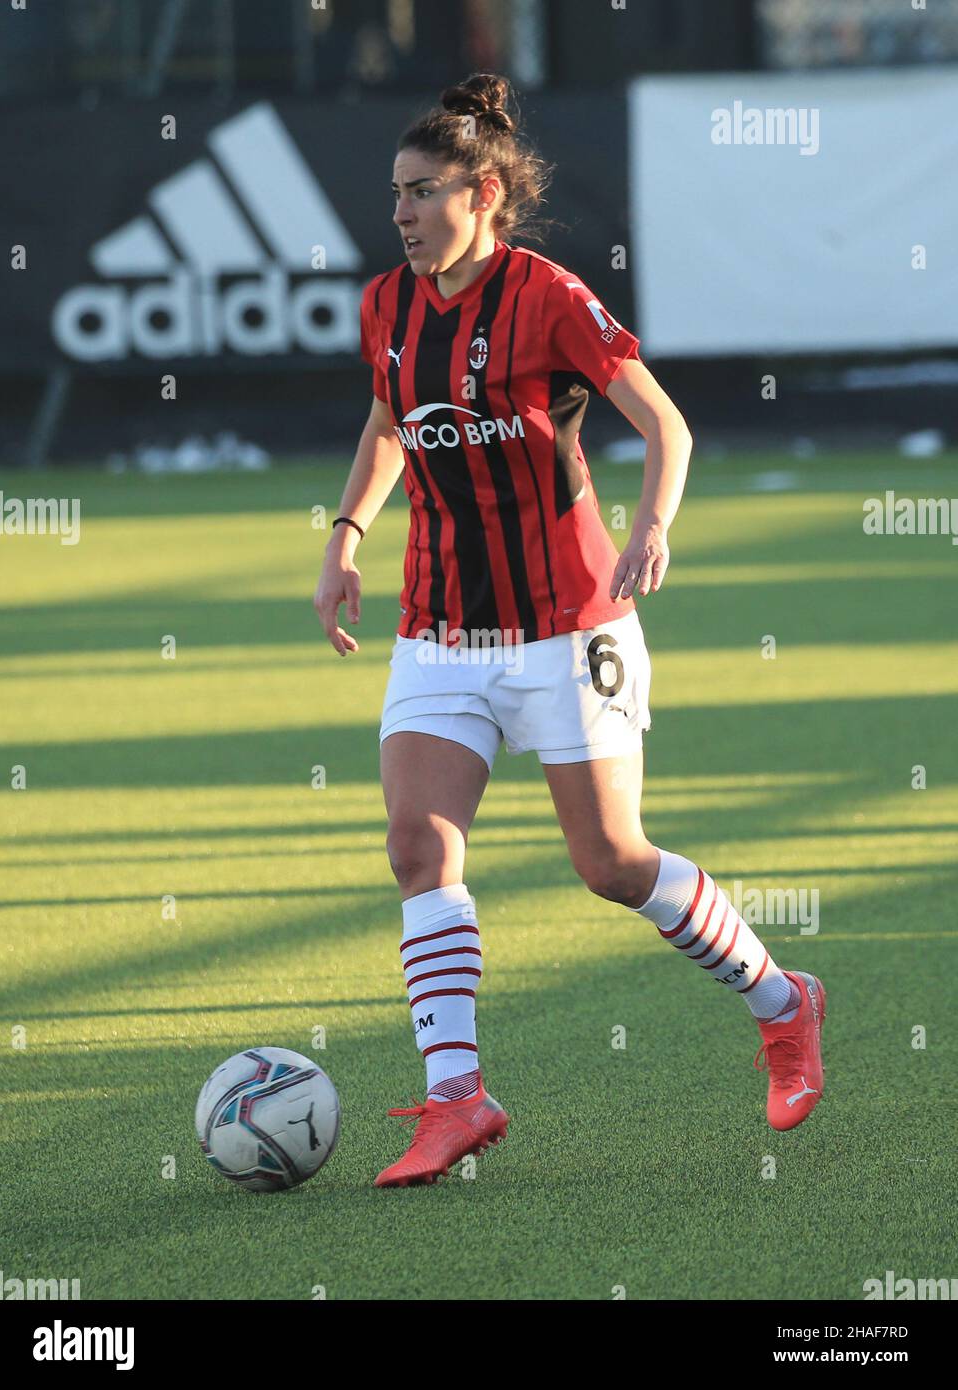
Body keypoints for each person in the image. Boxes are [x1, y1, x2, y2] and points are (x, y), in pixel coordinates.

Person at [313, 73, 826, 1189]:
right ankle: (458, 1099)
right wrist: (348, 533)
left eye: (419, 192)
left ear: (482, 193)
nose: (398, 212)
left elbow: (665, 422)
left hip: (567, 623)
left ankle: (785, 1005)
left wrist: (652, 527)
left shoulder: (546, 295)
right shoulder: (388, 307)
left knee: (610, 862)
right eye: (393, 194)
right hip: (442, 628)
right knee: (418, 846)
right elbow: (392, 416)